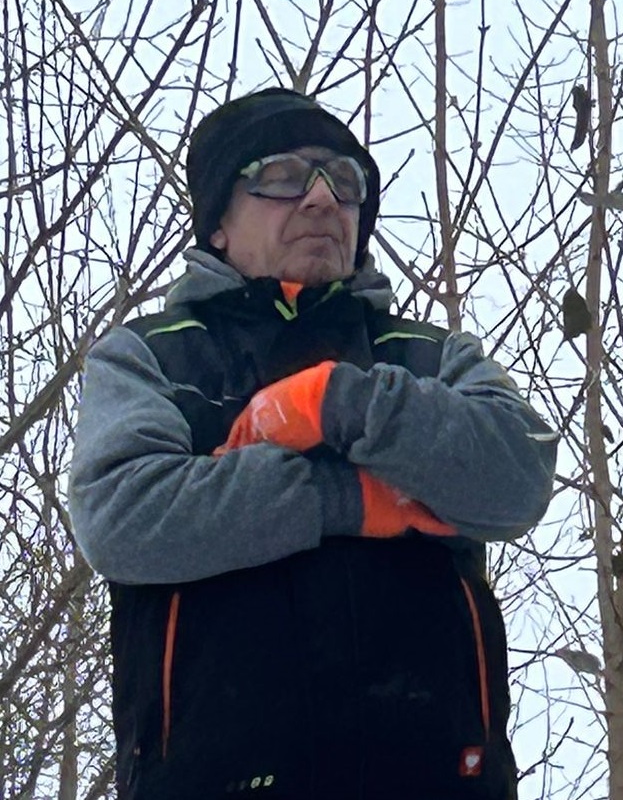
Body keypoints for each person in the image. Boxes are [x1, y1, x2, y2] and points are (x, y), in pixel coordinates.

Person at [69, 87, 558, 800]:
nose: (324, 200)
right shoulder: (152, 355)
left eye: (345, 183)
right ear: (217, 223)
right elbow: (123, 516)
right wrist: (347, 497)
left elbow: (517, 478)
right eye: (283, 176)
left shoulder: (430, 357)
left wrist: (336, 402)